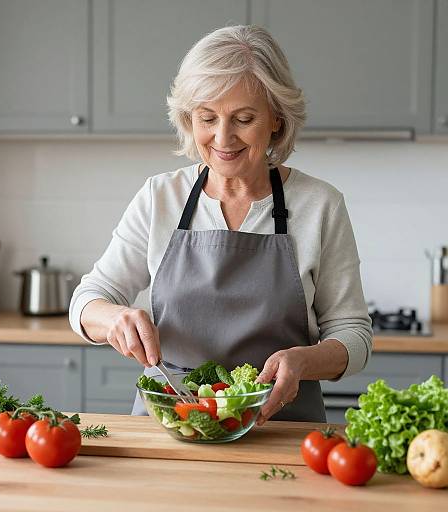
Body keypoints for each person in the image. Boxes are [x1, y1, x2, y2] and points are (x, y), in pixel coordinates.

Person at [69, 25, 372, 424]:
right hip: (173, 422)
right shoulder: (161, 197)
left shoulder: (320, 205)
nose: (222, 137)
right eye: (207, 118)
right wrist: (115, 319)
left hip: (279, 427)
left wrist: (303, 361)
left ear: (277, 120)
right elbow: (87, 300)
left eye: (243, 118)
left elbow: (354, 335)